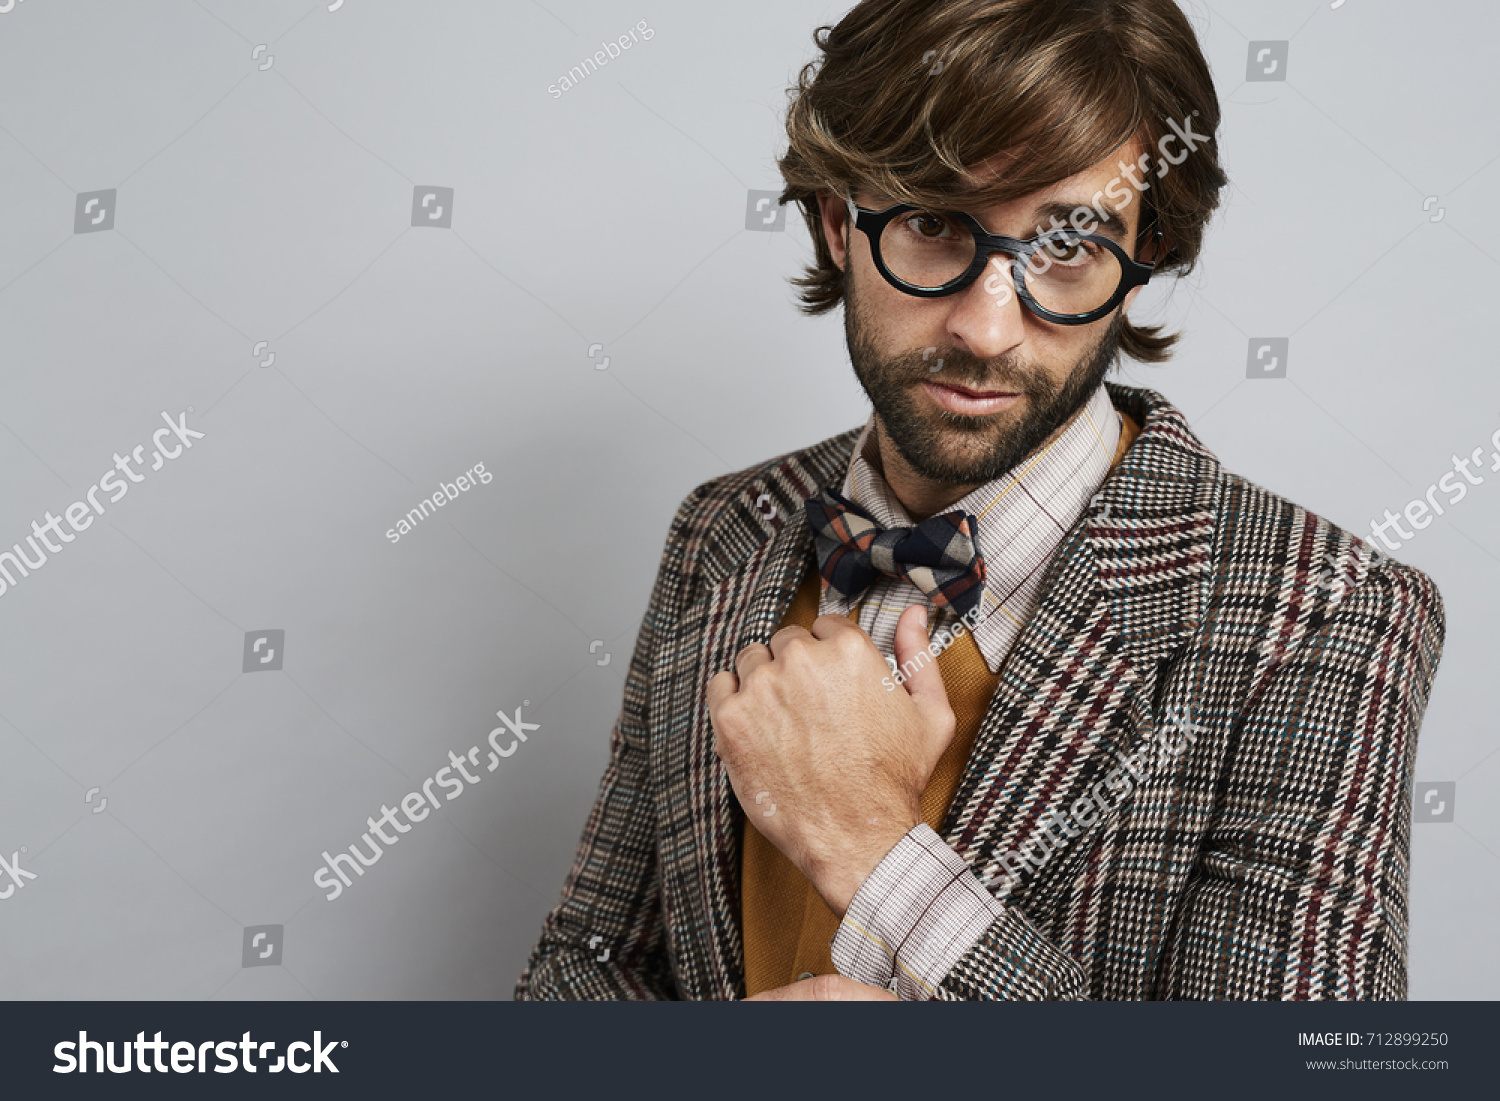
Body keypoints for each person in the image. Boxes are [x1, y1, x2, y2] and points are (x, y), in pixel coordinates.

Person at [516, 0, 1445, 1001]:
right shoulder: (725, 528)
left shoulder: (1330, 611)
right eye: (930, 225)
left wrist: (871, 842)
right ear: (838, 222)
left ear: (1142, 267)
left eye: (1070, 247)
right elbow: (584, 971)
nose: (988, 328)